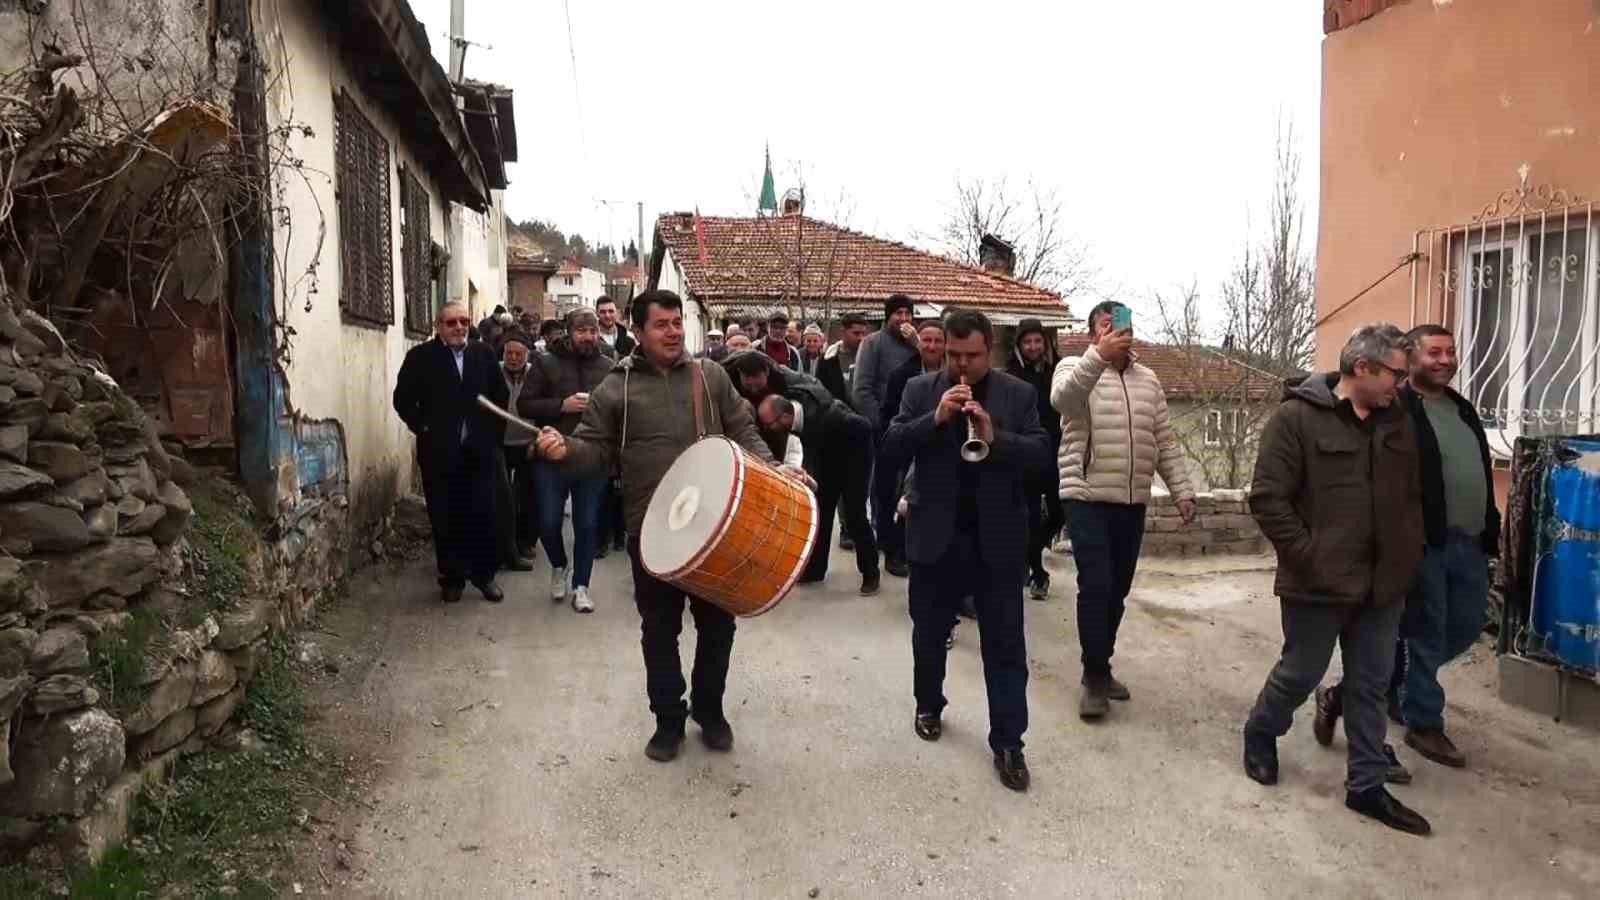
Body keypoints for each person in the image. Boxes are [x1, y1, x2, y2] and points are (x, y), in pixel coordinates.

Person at [534, 290, 807, 762]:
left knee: (718, 626)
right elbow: (594, 449)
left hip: (716, 526)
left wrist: (772, 468)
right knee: (659, 631)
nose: (674, 331)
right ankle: (667, 719)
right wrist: (565, 451)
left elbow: (743, 431)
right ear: (636, 332)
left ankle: (710, 710)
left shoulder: (710, 375)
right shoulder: (615, 387)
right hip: (651, 530)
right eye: (662, 324)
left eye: (678, 322)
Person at [1244, 323, 1432, 836]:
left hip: (1383, 584)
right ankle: (1261, 731)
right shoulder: (1296, 418)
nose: (1404, 382)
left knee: (1370, 685)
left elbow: (1411, 496)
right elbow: (1268, 500)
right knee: (1301, 673)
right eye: (1397, 371)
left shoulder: (1399, 420)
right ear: (1362, 368)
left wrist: (1407, 557)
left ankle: (1366, 787)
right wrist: (1311, 557)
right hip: (1317, 582)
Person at [1313, 324, 1499, 771]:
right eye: (1434, 352)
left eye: (1451, 352)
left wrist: (1491, 527)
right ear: (1410, 358)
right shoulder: (1397, 408)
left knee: (1466, 626)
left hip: (1469, 541)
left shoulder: (1461, 408)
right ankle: (1423, 720)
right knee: (1426, 632)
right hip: (1424, 542)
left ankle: (1347, 693)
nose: (1445, 360)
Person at [883, 309, 1054, 792]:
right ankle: (928, 703)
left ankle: (1008, 741)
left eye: (971, 357)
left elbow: (1042, 458)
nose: (960, 366)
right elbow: (892, 447)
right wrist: (934, 419)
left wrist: (995, 437)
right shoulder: (920, 390)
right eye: (952, 356)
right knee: (929, 634)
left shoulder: (1018, 394)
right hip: (934, 538)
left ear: (990, 350)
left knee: (1005, 647)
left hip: (997, 542)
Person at [1051, 300, 1196, 720]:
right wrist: (1098, 357)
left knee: (1117, 590)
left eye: (1124, 325)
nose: (1118, 331)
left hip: (1131, 499)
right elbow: (1062, 400)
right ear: (1094, 330)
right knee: (1096, 585)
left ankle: (1100, 663)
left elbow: (1164, 440)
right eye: (1107, 324)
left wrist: (1182, 490)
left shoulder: (1148, 380)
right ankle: (1094, 678)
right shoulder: (1073, 368)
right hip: (1085, 494)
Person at [722, 349, 881, 595]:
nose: (768, 429)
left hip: (856, 453)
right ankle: (815, 570)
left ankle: (870, 573)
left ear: (785, 417)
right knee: (821, 509)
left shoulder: (826, 415)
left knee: (855, 513)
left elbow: (861, 429)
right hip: (828, 455)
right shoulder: (791, 406)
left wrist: (846, 478)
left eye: (770, 424)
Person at [392, 301, 510, 604]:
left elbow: (501, 396)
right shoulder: (420, 358)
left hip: (480, 451)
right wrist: (424, 428)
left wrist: (493, 436)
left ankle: (484, 576)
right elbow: (402, 399)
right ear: (438, 326)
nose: (459, 327)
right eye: (452, 323)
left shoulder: (482, 355)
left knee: (484, 513)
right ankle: (452, 577)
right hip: (439, 454)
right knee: (445, 516)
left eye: (464, 321)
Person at [518, 309, 615, 612]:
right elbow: (525, 404)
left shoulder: (609, 366)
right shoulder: (546, 363)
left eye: (593, 330)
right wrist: (562, 405)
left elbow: (618, 411)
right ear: (568, 333)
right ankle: (559, 565)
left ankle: (581, 587)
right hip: (550, 457)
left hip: (591, 458)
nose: (588, 336)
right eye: (582, 330)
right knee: (547, 522)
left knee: (587, 525)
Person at [875, 319, 948, 578]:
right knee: (899, 502)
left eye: (938, 340)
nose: (931, 345)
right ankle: (895, 554)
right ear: (918, 342)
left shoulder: (954, 375)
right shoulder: (901, 375)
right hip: (907, 445)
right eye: (926, 339)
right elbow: (890, 416)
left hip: (941, 447)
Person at [1006, 319, 1065, 601]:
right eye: (1027, 342)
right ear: (1019, 345)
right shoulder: (1011, 374)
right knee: (1027, 516)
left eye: (1037, 341)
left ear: (1046, 343)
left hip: (1057, 453)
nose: (1032, 347)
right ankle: (1037, 572)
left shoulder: (1061, 370)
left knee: (1059, 513)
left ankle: (1030, 552)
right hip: (1026, 454)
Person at [496, 331, 539, 570]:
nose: (513, 358)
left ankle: (526, 540)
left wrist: (537, 440)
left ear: (527, 354)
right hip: (500, 443)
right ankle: (504, 542)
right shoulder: (494, 371)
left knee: (530, 495)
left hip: (528, 444)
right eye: (508, 353)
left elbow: (545, 407)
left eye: (518, 354)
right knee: (502, 496)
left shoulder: (536, 374)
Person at [853, 295, 918, 430]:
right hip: (884, 426)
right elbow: (862, 391)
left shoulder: (916, 344)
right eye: (898, 313)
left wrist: (917, 344)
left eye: (908, 314)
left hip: (914, 424)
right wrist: (880, 423)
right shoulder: (872, 342)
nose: (904, 319)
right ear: (888, 316)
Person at [818, 313, 868, 408]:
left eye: (863, 334)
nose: (861, 338)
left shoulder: (869, 357)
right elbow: (821, 391)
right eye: (856, 333)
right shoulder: (827, 360)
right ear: (843, 332)